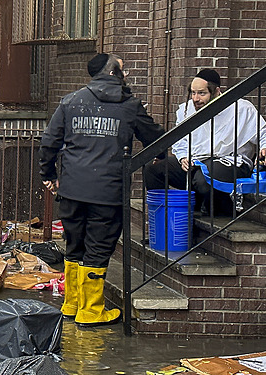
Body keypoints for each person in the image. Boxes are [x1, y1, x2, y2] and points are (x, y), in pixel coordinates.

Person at [39, 53, 164, 327]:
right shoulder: (130, 105)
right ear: (113, 72)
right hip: (108, 192)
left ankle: (72, 304)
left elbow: (49, 142)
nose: (127, 74)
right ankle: (92, 311)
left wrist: (48, 175)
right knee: (98, 247)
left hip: (71, 190)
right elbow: (155, 138)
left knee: (75, 246)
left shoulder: (71, 102)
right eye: (123, 69)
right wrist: (162, 156)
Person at [144, 68, 266, 215]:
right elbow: (179, 139)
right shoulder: (186, 109)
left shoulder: (242, 109)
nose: (196, 98)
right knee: (153, 171)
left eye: (202, 93)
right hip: (194, 162)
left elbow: (262, 132)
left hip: (231, 163)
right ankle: (166, 217)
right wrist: (183, 157)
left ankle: (216, 209)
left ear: (216, 92)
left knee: (202, 178)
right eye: (193, 93)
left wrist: (264, 147)